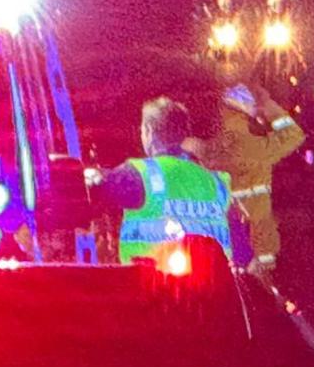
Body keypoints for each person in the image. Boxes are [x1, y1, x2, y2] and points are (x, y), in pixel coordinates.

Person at [94, 96, 234, 264]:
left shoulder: (141, 175)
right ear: (183, 134)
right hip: (215, 287)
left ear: (148, 131)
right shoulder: (217, 183)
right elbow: (240, 243)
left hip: (155, 285)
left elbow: (93, 188)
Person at [196, 84, 305, 275]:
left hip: (221, 247)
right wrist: (269, 107)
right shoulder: (255, 147)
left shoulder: (211, 148)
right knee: (260, 302)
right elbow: (294, 135)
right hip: (256, 251)